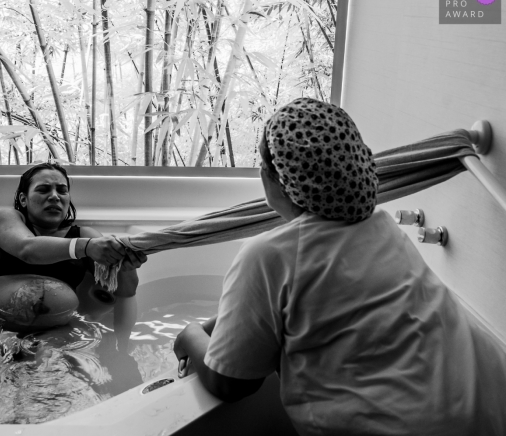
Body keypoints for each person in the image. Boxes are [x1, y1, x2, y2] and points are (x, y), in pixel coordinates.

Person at [174, 98, 506, 435]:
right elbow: (294, 302)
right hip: (486, 406)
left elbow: (231, 383)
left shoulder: (267, 253)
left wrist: (189, 336)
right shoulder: (381, 225)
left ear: (270, 177)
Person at [0, 162, 146, 423]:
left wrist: (126, 266)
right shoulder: (11, 219)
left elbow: (126, 291)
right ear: (23, 198)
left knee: (45, 364)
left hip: (60, 332)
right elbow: (27, 249)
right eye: (43, 189)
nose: (55, 196)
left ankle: (31, 423)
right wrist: (86, 247)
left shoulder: (84, 235)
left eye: (62, 190)